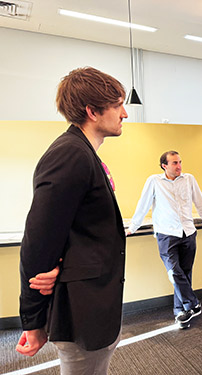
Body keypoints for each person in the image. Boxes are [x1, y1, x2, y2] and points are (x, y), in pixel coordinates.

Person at [16, 67, 128, 374]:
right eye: (118, 105)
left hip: (93, 302)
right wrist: (33, 320)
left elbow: (76, 230)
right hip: (81, 311)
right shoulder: (70, 154)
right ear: (92, 111)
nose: (125, 113)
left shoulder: (84, 153)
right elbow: (38, 242)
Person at [126, 151, 202, 328]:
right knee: (174, 272)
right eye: (175, 163)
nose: (179, 166)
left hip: (188, 233)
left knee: (184, 273)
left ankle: (181, 313)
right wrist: (132, 227)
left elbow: (199, 201)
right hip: (166, 235)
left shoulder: (189, 179)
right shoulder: (154, 181)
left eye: (180, 162)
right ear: (164, 166)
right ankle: (192, 303)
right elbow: (143, 204)